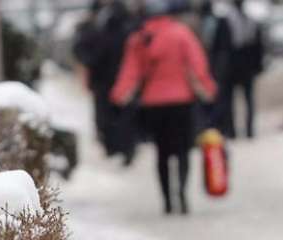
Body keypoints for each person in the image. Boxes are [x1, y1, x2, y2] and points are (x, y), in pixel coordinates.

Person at [111, 0, 217, 215]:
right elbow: (197, 64)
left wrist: (119, 95)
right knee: (183, 151)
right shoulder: (181, 33)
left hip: (154, 104)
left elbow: (130, 72)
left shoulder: (140, 38)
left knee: (162, 153)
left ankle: (167, 201)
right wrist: (208, 89)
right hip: (181, 102)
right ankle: (183, 194)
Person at [73, 0, 138, 164]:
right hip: (101, 77)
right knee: (104, 117)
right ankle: (112, 148)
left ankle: (124, 149)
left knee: (122, 115)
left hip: (120, 74)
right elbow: (82, 45)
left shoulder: (123, 15)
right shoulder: (93, 17)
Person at [222, 0, 265, 138]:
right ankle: (234, 130)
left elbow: (258, 47)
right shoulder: (228, 21)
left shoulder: (248, 21)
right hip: (235, 67)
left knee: (244, 100)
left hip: (241, 66)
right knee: (234, 101)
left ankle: (246, 130)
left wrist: (258, 66)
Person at [197, 0, 234, 134]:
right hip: (203, 69)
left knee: (220, 100)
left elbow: (225, 48)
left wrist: (220, 69)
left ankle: (221, 128)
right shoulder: (197, 24)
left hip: (217, 68)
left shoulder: (220, 22)